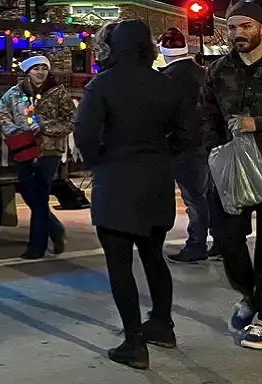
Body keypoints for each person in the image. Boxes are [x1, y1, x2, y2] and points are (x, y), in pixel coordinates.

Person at [74, 20, 192, 369]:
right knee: (154, 257)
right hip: (155, 181)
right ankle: (162, 324)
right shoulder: (168, 86)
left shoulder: (102, 85)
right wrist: (161, 154)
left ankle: (134, 342)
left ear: (112, 47)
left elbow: (84, 134)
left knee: (120, 264)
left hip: (116, 182)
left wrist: (100, 160)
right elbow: (188, 135)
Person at [199, 0, 262, 350]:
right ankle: (250, 294)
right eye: (232, 27)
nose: (237, 33)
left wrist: (257, 123)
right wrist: (213, 152)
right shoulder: (219, 69)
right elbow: (206, 117)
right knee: (228, 242)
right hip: (232, 172)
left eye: (245, 26)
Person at [0, 54, 72, 259]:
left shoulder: (58, 93)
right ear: (27, 72)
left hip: (49, 150)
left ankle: (36, 247)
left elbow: (71, 120)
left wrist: (46, 126)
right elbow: (2, 113)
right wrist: (14, 130)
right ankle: (55, 229)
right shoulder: (14, 94)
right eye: (36, 68)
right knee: (30, 194)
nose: (40, 72)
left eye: (44, 68)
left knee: (39, 194)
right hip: (24, 148)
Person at [158, 27, 215, 263]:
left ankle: (196, 244)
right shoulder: (202, 73)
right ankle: (218, 241)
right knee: (207, 195)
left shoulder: (168, 78)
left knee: (194, 198)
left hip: (182, 144)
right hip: (206, 142)